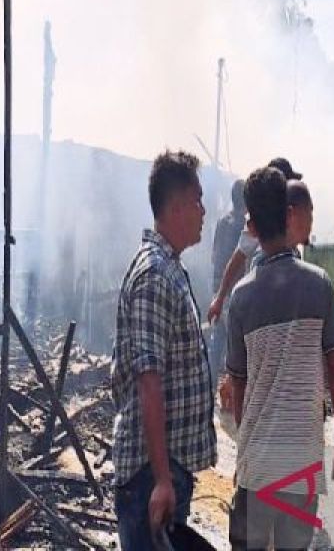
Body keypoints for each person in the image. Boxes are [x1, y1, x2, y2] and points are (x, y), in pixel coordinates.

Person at [224, 167, 334, 551]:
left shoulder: (241, 297)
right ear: (288, 215)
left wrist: (245, 450)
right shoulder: (318, 284)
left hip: (258, 462)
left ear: (252, 227)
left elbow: (239, 386)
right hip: (301, 462)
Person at [112, 150, 216, 550]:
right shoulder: (155, 275)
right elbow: (149, 379)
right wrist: (161, 479)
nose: (203, 211)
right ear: (175, 208)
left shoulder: (168, 267)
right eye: (197, 201)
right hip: (149, 476)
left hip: (163, 470)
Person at [207, 158, 302, 324]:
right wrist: (220, 298)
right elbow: (238, 256)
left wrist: (220, 298)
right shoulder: (260, 221)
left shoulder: (289, 218)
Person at [208, 180, 246, 379]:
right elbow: (240, 260)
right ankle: (232, 388)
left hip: (218, 290)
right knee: (234, 345)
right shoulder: (242, 226)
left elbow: (214, 255)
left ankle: (210, 386)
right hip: (232, 291)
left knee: (217, 341)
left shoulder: (222, 222)